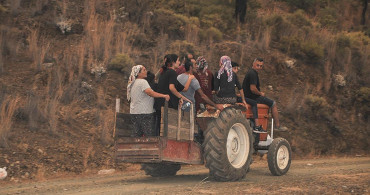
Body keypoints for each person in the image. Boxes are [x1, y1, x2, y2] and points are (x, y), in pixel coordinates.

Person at [242, 57, 288, 131]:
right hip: (253, 97)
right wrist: (260, 93)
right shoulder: (253, 73)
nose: (259, 67)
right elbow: (253, 88)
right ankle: (277, 126)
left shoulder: (250, 72)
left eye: (261, 66)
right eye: (257, 65)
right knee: (273, 103)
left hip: (248, 96)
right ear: (253, 64)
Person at [154, 54, 193, 135]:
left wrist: (189, 79)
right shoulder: (172, 73)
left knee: (158, 129)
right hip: (166, 105)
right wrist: (181, 97)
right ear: (173, 62)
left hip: (159, 104)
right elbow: (172, 88)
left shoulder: (164, 72)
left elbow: (184, 89)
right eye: (178, 60)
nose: (179, 62)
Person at [127, 65, 170, 137]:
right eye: (144, 70)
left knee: (136, 135)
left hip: (134, 112)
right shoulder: (142, 82)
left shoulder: (133, 83)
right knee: (149, 136)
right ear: (138, 73)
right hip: (144, 113)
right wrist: (163, 96)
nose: (146, 71)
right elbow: (150, 92)